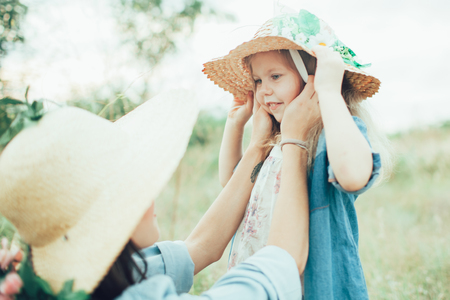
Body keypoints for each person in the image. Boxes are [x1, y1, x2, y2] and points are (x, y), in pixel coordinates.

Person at [0, 88, 317, 299]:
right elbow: (283, 262)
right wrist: (295, 140)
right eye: (136, 187)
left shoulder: (91, 279)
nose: (151, 194)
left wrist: (258, 146)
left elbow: (202, 247)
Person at [203, 9, 392, 300]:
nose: (264, 91)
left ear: (312, 78)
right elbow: (232, 184)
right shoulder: (273, 139)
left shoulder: (332, 135)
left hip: (312, 285)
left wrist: (328, 93)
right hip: (263, 281)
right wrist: (235, 124)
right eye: (258, 81)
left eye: (275, 76)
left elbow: (354, 176)